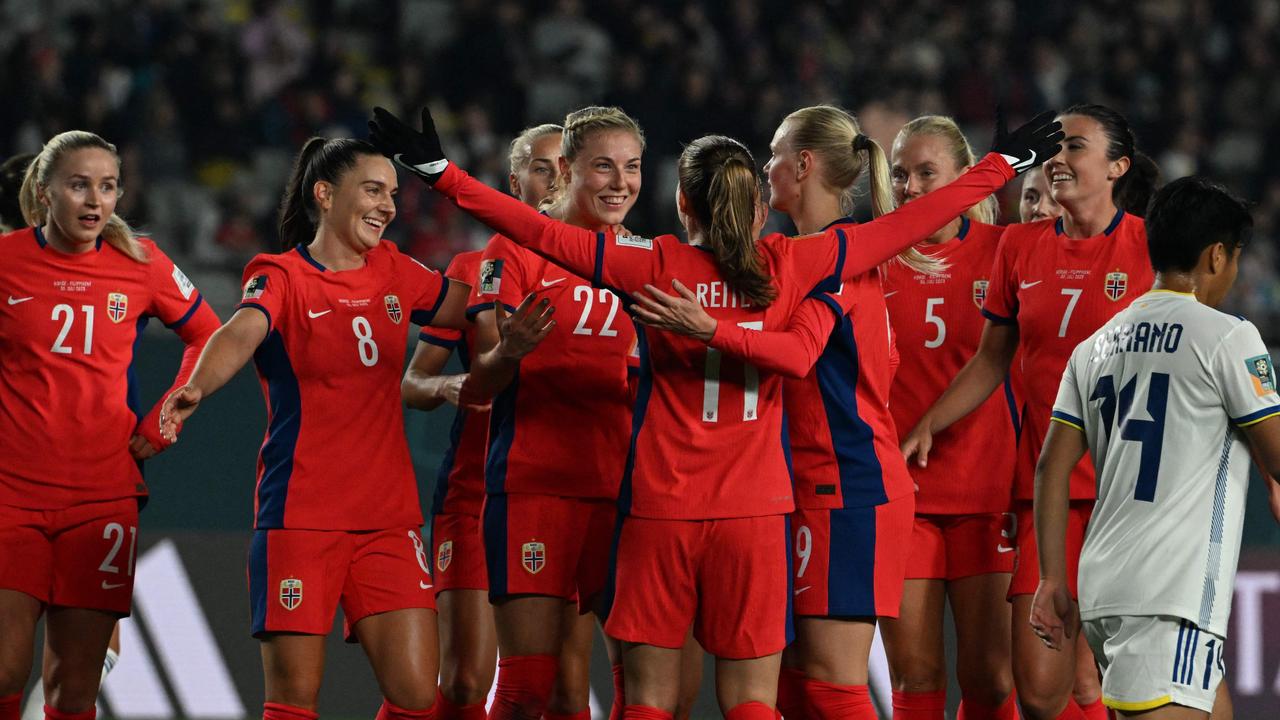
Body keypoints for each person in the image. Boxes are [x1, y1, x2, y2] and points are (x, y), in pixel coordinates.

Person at [368, 104, 1062, 720]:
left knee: (646, 698)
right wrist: (1000, 165)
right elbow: (914, 221)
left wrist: (440, 172)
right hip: (757, 514)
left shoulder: (651, 265)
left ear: (682, 201)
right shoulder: (797, 264)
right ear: (755, 206)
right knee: (756, 701)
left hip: (660, 510)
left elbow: (534, 231)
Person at [156, 137, 520, 720]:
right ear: (325, 195)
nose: (388, 206)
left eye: (393, 194)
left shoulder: (396, 269)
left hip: (386, 519)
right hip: (300, 515)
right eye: (373, 190)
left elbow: (474, 302)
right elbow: (243, 329)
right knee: (294, 703)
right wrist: (198, 384)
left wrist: (541, 271)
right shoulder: (280, 274)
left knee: (417, 696)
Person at [626, 104, 933, 720]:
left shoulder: (833, 265)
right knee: (792, 689)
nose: (764, 167)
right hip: (803, 489)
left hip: (848, 486)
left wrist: (707, 327)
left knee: (830, 688)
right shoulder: (792, 260)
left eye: (773, 154)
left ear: (804, 164)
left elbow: (794, 356)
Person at [901, 104, 1158, 720]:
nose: (1058, 159)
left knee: (1137, 681)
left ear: (1117, 166)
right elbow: (992, 359)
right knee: (1042, 692)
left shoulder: (1150, 247)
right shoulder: (1017, 246)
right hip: (1045, 496)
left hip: (1131, 496)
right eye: (1055, 148)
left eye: (1074, 147)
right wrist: (930, 422)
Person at [1032, 176, 1279, 719]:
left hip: (1105, 584)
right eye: (1234, 259)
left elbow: (1051, 466)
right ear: (1217, 256)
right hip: (1171, 595)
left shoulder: (1094, 345)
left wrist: (1051, 577)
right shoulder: (1226, 336)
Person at [0, 131, 219, 720]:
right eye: (79, 185)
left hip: (102, 498)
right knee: (3, 668)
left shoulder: (142, 263)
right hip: (11, 495)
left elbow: (209, 333)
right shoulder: (7, 262)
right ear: (45, 194)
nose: (95, 200)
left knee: (74, 687)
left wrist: (172, 409)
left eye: (107, 186)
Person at [401, 122, 564, 720]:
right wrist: (447, 385)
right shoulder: (475, 267)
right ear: (513, 181)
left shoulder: (604, 268)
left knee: (560, 683)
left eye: (564, 167)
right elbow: (413, 383)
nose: (554, 180)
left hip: (563, 488)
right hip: (476, 488)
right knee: (468, 677)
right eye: (541, 168)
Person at [877, 115, 1019, 720]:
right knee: (915, 677)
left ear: (965, 177)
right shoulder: (872, 256)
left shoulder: (1006, 253)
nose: (909, 188)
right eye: (901, 174)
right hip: (900, 494)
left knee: (990, 679)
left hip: (988, 490)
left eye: (925, 173)